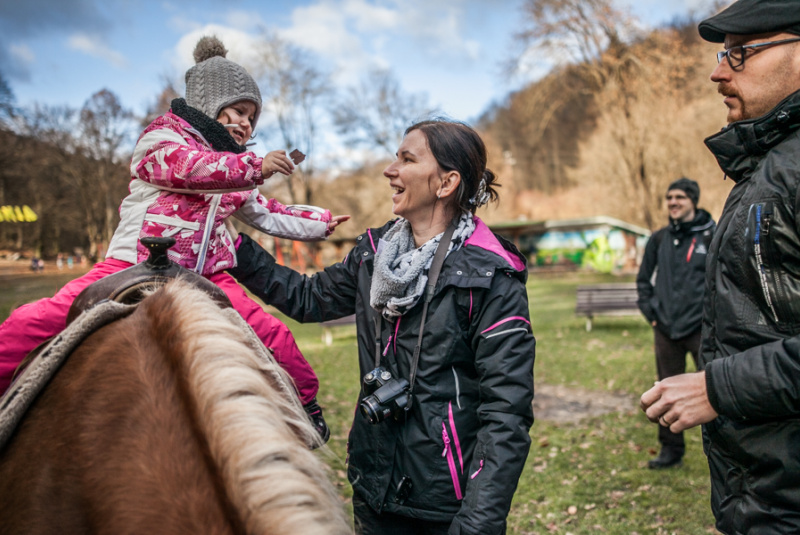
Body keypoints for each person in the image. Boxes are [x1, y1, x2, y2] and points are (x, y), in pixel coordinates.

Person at [0, 36, 348, 440]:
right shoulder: (164, 140)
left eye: (253, 118)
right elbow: (184, 168)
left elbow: (269, 213)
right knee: (41, 317)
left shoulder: (238, 170)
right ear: (209, 105)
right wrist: (251, 165)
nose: (247, 124)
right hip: (130, 262)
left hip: (206, 275)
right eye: (239, 111)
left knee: (274, 335)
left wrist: (320, 221)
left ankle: (305, 410)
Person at [227, 119, 535, 535]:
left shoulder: (490, 276)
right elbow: (307, 297)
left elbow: (506, 413)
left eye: (407, 159)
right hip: (372, 487)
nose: (390, 170)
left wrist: (478, 523)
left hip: (445, 506)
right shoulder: (375, 253)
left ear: (446, 183)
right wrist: (232, 246)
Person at [640, 1, 800, 531]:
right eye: (722, 53)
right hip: (761, 494)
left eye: (741, 53)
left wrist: (717, 387)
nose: (717, 71)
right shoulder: (760, 168)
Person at [636, 177, 715, 469]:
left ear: (693, 200)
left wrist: (712, 319)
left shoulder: (712, 234)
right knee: (665, 393)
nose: (673, 202)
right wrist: (653, 315)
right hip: (666, 329)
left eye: (679, 197)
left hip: (702, 330)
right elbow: (643, 281)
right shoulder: (659, 238)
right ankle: (671, 451)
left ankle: (719, 451)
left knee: (712, 391)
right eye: (669, 198)